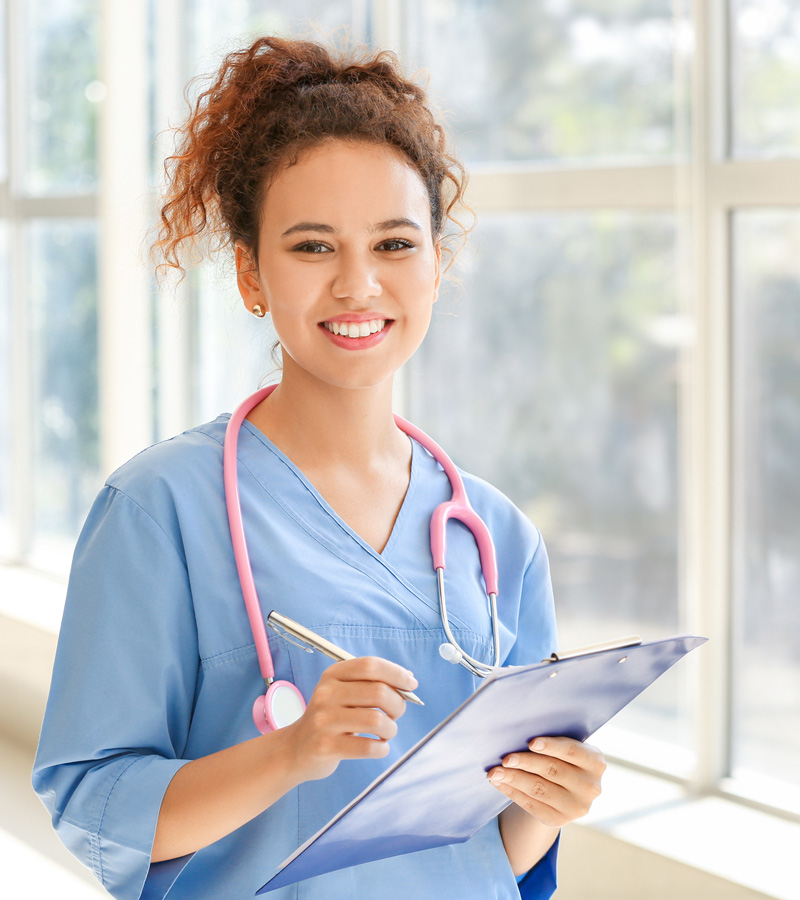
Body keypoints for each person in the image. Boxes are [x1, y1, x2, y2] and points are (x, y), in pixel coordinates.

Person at [32, 35, 605, 900]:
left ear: (437, 267)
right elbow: (93, 805)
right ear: (250, 273)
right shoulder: (160, 510)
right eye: (311, 247)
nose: (358, 284)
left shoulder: (499, 538)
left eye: (395, 245)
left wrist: (548, 805)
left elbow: (488, 858)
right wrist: (290, 754)